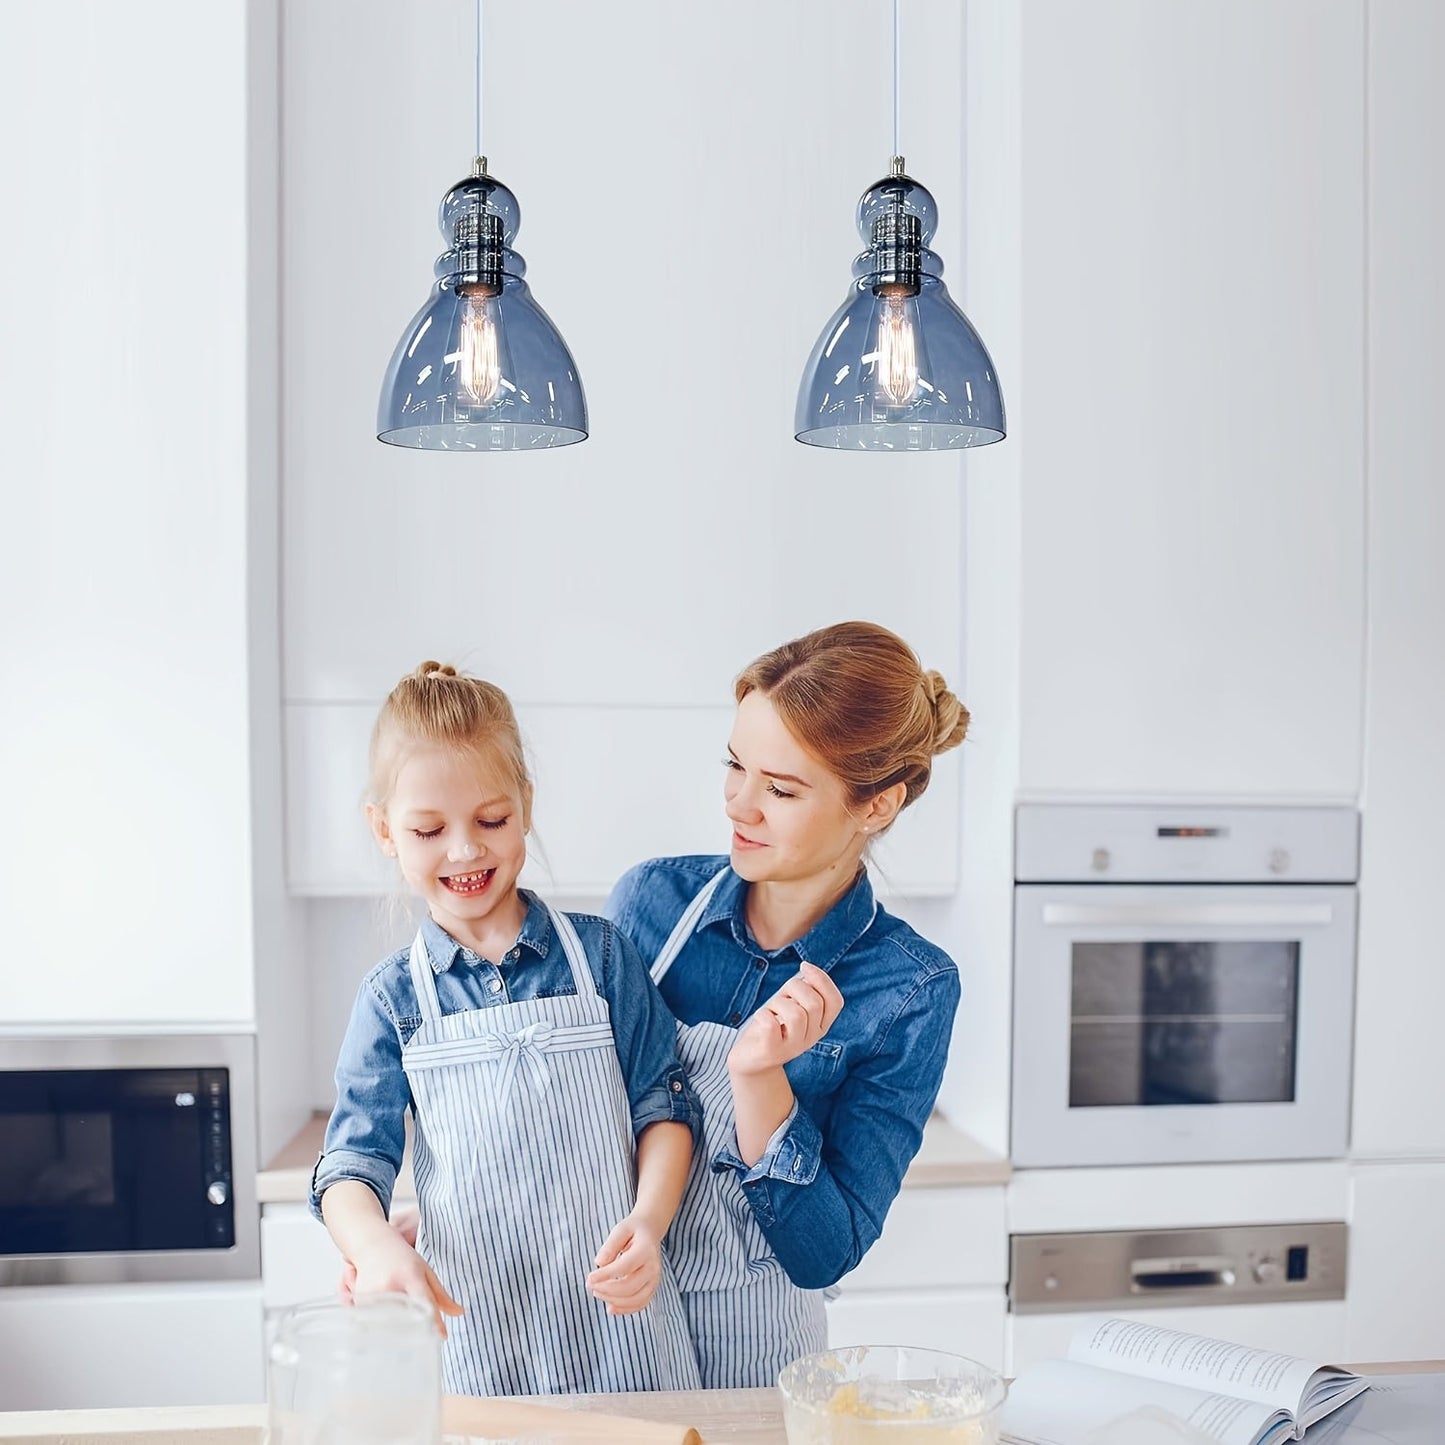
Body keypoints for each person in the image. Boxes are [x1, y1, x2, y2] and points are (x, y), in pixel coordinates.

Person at [309, 661, 703, 1397]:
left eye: (490, 819)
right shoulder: (392, 998)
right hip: (483, 1343)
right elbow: (349, 1164)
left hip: (625, 1333)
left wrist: (648, 1223)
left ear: (525, 804)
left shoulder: (602, 956)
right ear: (384, 830)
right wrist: (372, 1247)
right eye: (429, 829)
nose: (464, 850)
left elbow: (665, 1107)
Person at [604, 620, 968, 1387]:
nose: (740, 803)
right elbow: (578, 1109)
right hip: (603, 1317)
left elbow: (824, 1254)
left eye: (780, 788)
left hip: (756, 1360)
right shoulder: (651, 904)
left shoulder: (907, 988)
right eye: (735, 766)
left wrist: (760, 1084)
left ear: (876, 804)